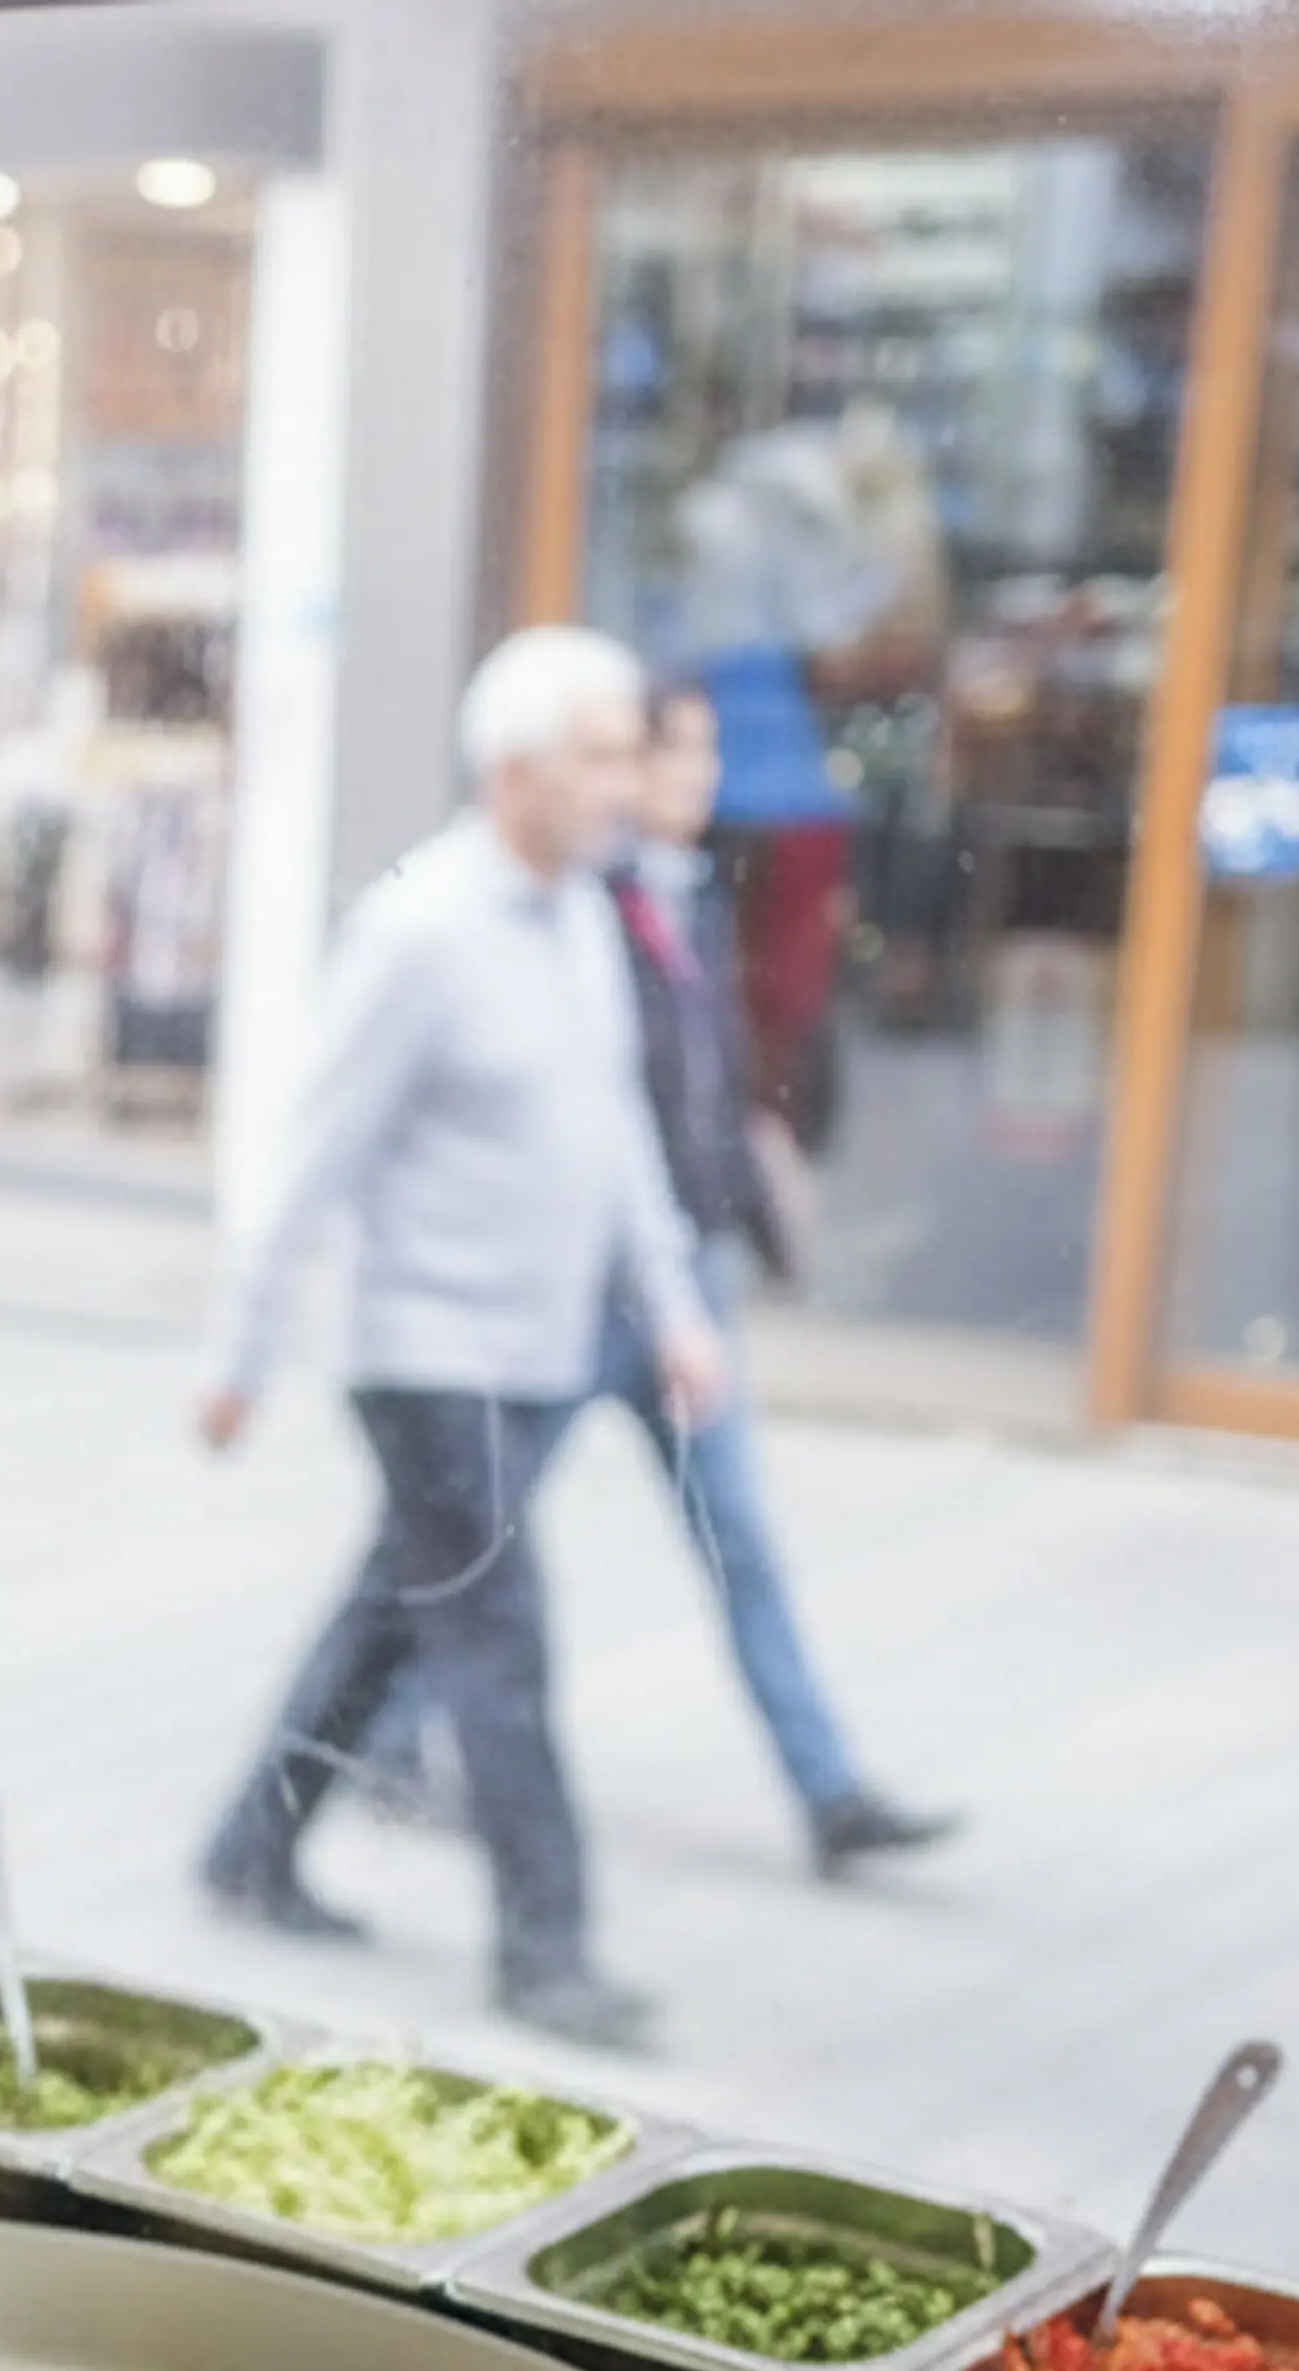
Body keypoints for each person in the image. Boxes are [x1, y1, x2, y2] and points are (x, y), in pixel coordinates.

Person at [199, 625, 726, 2055]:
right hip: (425, 1358)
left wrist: (672, 1307)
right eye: (602, 753)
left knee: (390, 1614)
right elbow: (310, 1153)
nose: (626, 782)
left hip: (533, 1351)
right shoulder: (420, 930)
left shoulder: (577, 920)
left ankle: (249, 1847)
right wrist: (242, 1351)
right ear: (513, 772)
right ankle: (545, 1950)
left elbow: (617, 1133)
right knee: (495, 1642)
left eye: (632, 751)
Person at [348, 669, 958, 1882]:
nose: (691, 781)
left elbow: (690, 1089)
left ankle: (828, 1788)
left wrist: (735, 1211)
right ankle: (382, 1740)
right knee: (465, 1545)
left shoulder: (683, 900)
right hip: (574, 1300)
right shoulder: (575, 906)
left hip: (678, 1283)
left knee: (733, 1536)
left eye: (692, 759)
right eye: (665, 758)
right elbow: (598, 1114)